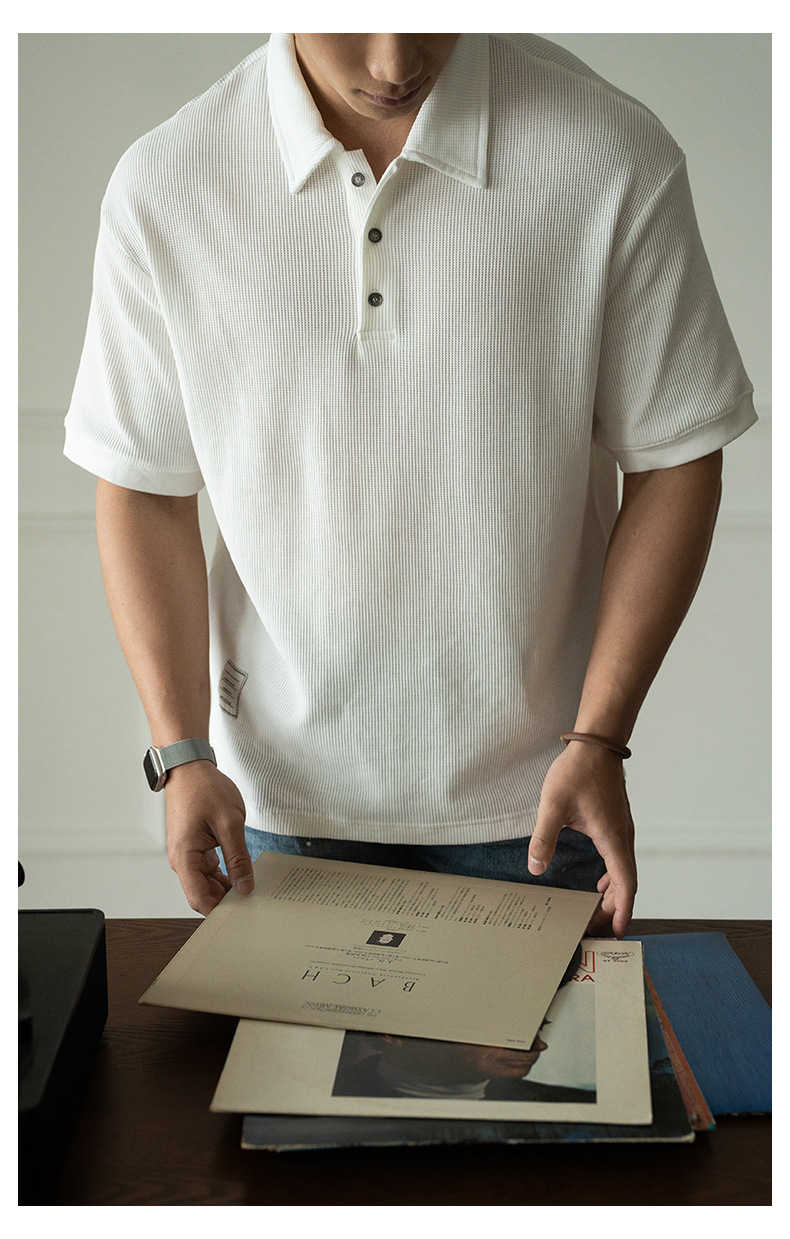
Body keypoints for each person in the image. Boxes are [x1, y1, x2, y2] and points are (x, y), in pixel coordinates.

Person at [64, 34, 756, 936]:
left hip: (543, 800)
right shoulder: (166, 183)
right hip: (274, 803)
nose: (395, 64)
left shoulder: (609, 153)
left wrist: (601, 735)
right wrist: (181, 751)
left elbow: (676, 456)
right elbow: (145, 486)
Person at [331, 1026, 594, 1103]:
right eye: (500, 1028)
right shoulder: (332, 1099)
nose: (538, 1045)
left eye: (537, 1027)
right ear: (389, 1033)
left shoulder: (574, 1105)